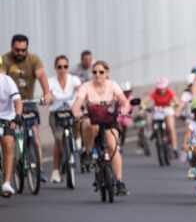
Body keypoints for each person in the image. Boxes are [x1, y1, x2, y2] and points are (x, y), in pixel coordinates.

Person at [71, 60, 131, 195]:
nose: (97, 75)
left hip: (109, 121)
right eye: (94, 72)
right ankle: (88, 152)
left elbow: (124, 101)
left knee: (113, 147)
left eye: (101, 72)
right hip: (92, 120)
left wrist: (124, 108)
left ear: (107, 73)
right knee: (89, 125)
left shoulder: (113, 85)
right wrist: (77, 113)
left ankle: (119, 182)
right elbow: (76, 106)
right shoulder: (86, 86)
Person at [3, 34, 53, 180]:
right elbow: (2, 78)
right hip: (11, 103)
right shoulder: (5, 60)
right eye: (17, 50)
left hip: (29, 101)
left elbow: (41, 76)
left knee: (35, 133)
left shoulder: (34, 59)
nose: (20, 53)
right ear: (12, 47)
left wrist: (47, 93)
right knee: (9, 135)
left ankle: (39, 168)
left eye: (23, 50)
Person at [47, 55, 82, 183]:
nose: (62, 69)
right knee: (58, 140)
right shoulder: (50, 81)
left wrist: (80, 94)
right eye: (59, 67)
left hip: (71, 111)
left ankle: (78, 138)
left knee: (79, 118)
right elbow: (48, 94)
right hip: (56, 114)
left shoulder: (74, 79)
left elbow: (80, 90)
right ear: (55, 68)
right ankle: (56, 170)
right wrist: (49, 98)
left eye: (65, 66)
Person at [142, 77, 183, 157]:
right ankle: (154, 133)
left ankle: (174, 149)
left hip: (167, 110)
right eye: (160, 89)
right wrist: (143, 106)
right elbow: (145, 101)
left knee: (171, 128)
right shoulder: (155, 92)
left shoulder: (170, 92)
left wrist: (174, 105)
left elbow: (177, 102)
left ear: (166, 87)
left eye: (163, 88)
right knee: (151, 119)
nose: (161, 90)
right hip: (157, 110)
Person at [0, 55, 22, 197]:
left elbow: (17, 101)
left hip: (6, 117)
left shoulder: (7, 81)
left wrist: (17, 116)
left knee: (8, 144)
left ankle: (7, 183)